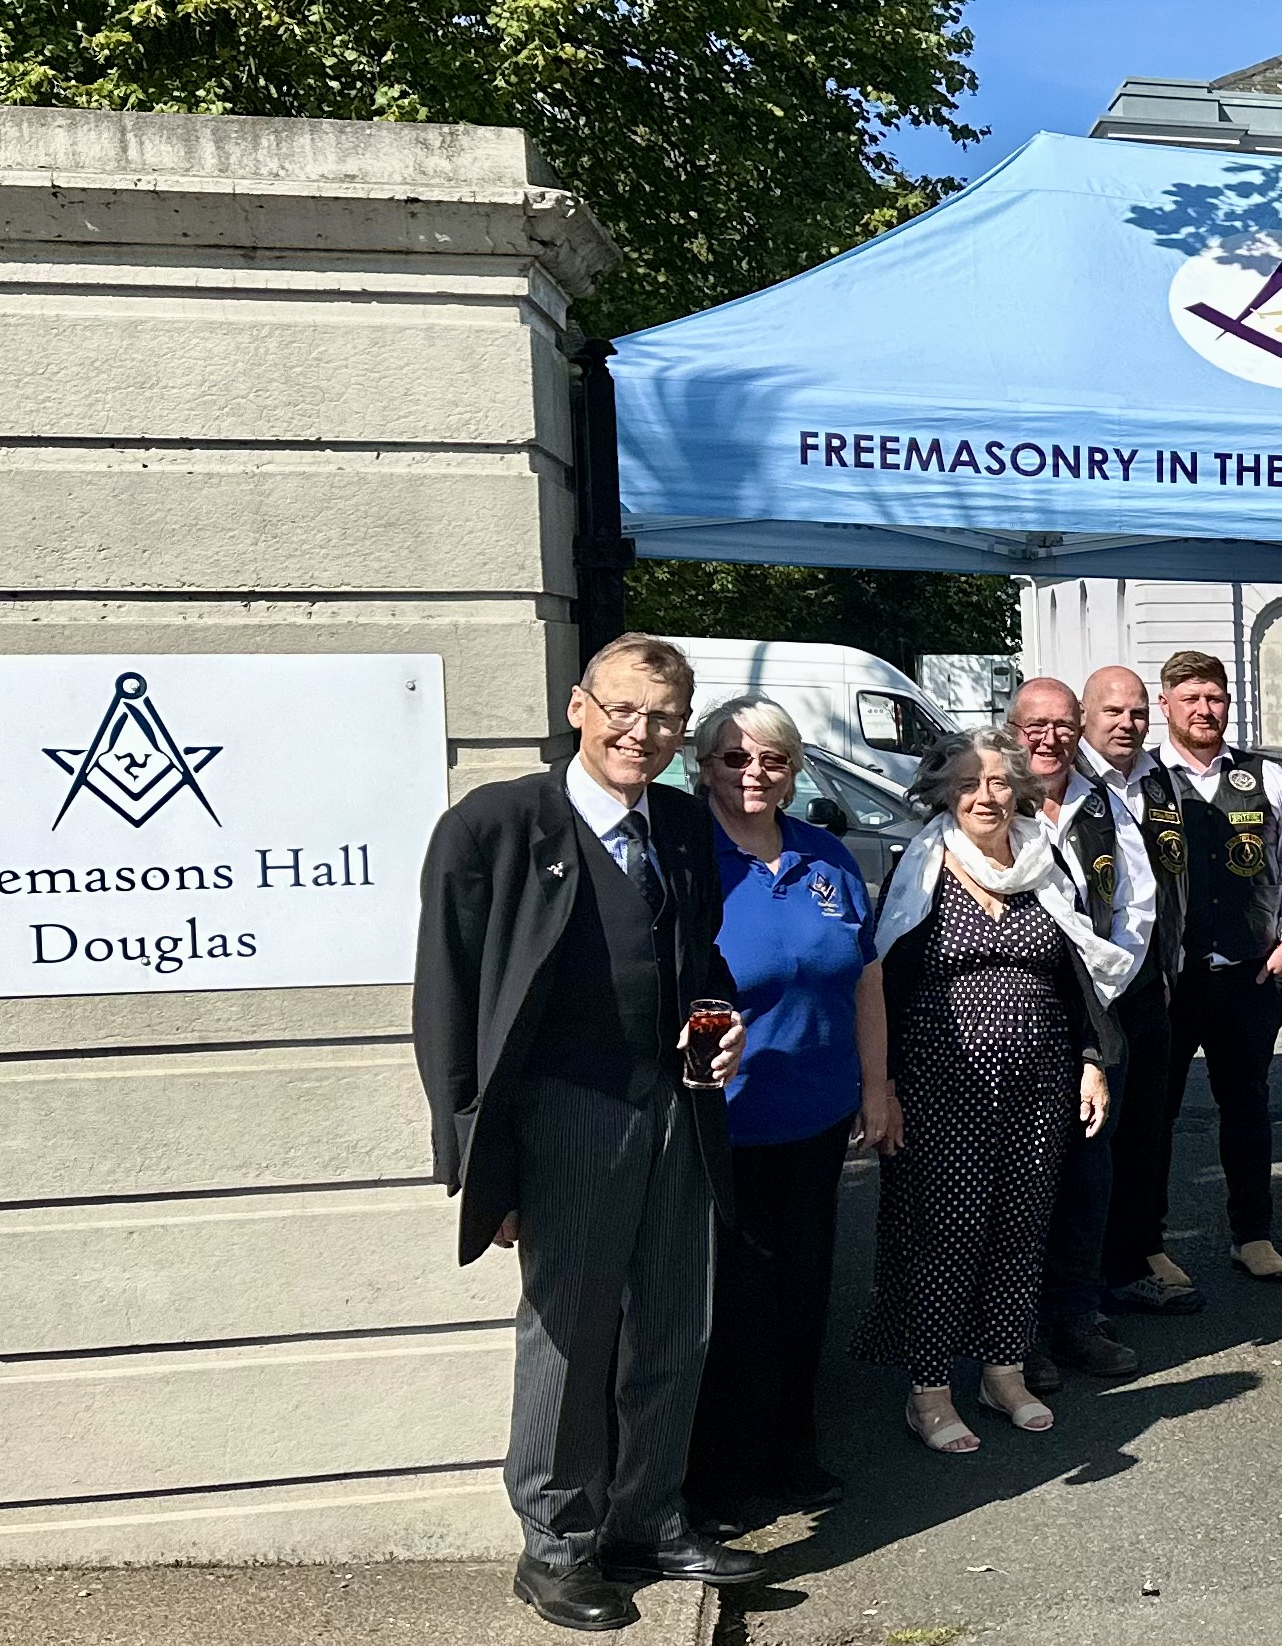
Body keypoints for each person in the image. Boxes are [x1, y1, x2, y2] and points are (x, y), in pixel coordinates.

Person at [413, 633, 763, 1633]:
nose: (639, 733)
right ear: (579, 706)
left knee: (674, 1324)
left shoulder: (687, 825)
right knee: (568, 1337)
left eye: (662, 718)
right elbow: (446, 1001)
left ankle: (648, 1515)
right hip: (560, 1117)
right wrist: (477, 1157)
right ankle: (556, 1545)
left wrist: (722, 1017)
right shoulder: (496, 825)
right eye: (622, 709)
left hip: (676, 1110)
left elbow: (701, 961)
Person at [852, 729, 1133, 1453]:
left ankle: (1004, 1370)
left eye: (1000, 783)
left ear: (1020, 789)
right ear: (945, 792)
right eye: (969, 784)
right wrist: (881, 1087)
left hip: (1039, 1081)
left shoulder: (1044, 859)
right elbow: (883, 977)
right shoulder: (923, 865)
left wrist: (1091, 1059)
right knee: (946, 1233)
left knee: (1022, 1224)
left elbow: (1077, 975)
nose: (986, 797)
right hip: (943, 1083)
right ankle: (930, 1388)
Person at [682, 696, 891, 1527]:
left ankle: (792, 1451)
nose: (754, 774)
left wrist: (876, 1088)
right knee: (731, 1303)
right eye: (734, 759)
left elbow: (865, 979)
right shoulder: (689, 858)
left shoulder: (825, 854)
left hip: (815, 1118)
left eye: (772, 759)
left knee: (804, 1292)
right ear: (704, 769)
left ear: (796, 769)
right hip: (720, 1124)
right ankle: (721, 1477)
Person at [1155, 650, 1282, 1282]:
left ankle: (1252, 1234)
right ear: (1167, 703)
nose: (1205, 710)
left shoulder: (1266, 777)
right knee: (1156, 1114)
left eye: (1215, 697)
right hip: (1172, 981)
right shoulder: (1145, 781)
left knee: (1247, 1106)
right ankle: (1149, 1242)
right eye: (1191, 697)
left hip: (1249, 973)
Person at [1007, 677, 1151, 1393]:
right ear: (1012, 728)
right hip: (1018, 1026)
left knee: (1087, 1177)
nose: (1050, 738)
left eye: (1063, 725)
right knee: (1023, 1179)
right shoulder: (990, 806)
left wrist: (1102, 988)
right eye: (1036, 725)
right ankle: (1020, 1331)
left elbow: (1137, 906)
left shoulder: (1107, 806)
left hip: (1097, 1018)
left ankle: (1076, 1315)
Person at [1081, 665, 1202, 1317]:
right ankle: (1081, 1288)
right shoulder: (1068, 787)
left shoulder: (1158, 783)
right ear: (1084, 716)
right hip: (1092, 995)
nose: (1126, 724)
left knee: (1144, 1136)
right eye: (1112, 712)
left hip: (1151, 986)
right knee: (1092, 1141)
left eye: (1135, 714)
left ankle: (1129, 1264)